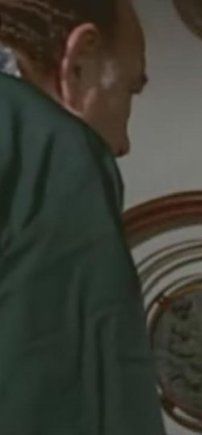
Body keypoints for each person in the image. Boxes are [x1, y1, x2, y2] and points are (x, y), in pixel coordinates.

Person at [0, 0, 164, 433]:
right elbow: (76, 403)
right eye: (130, 90)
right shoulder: (49, 147)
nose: (123, 144)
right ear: (80, 64)